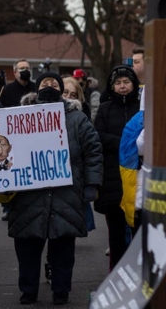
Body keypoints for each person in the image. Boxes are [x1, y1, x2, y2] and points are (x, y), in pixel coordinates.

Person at [9, 72, 102, 306]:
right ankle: (28, 290)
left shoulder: (77, 118)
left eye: (54, 84)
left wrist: (91, 184)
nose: (49, 86)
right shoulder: (19, 117)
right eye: (44, 83)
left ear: (61, 90)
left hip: (66, 194)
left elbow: (93, 151)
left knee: (63, 249)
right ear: (36, 88)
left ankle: (61, 290)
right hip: (29, 195)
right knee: (27, 247)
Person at [94, 66, 141, 269]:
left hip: (138, 179)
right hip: (113, 179)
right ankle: (116, 274)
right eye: (118, 83)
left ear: (134, 84)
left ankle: (140, 274)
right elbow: (99, 136)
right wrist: (126, 142)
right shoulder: (105, 108)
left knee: (139, 232)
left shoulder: (142, 108)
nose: (122, 87)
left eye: (126, 82)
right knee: (116, 236)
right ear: (112, 86)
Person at [62, 77, 97, 232]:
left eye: (73, 94)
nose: (68, 97)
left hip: (74, 175)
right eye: (65, 92)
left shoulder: (82, 118)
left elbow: (91, 151)